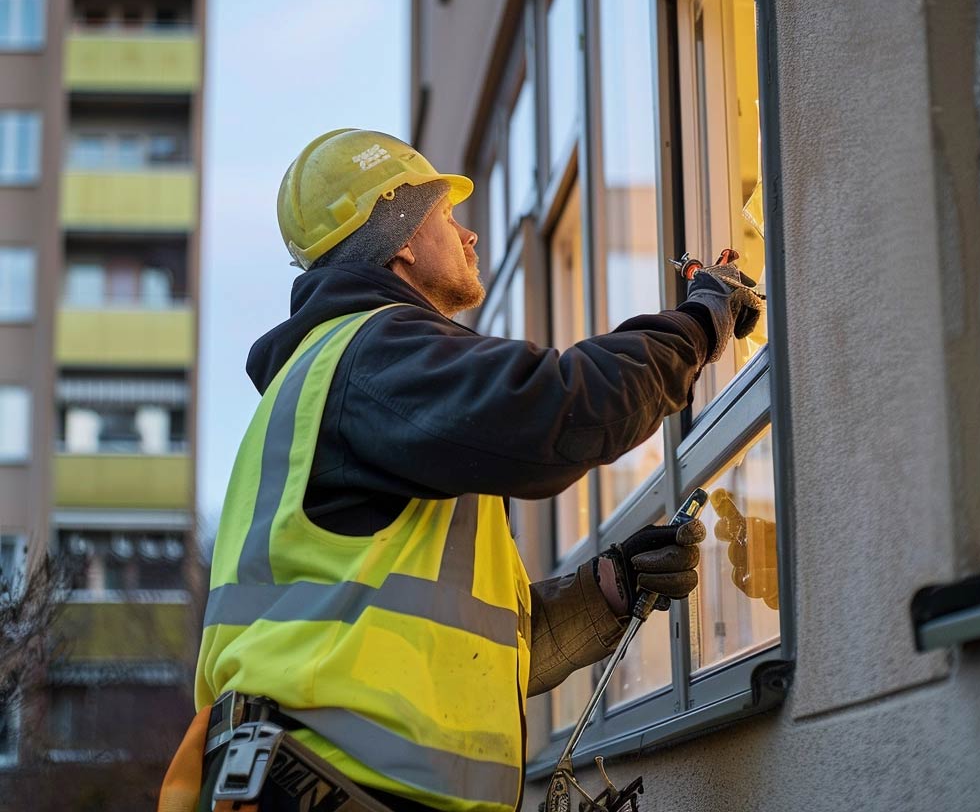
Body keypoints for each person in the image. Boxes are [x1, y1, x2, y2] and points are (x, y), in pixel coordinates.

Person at [159, 128, 764, 812]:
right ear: (402, 242)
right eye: (446, 216)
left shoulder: (337, 382)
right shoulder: (374, 355)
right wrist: (701, 320)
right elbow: (560, 409)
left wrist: (610, 589)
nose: (470, 235)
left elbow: (463, 651)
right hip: (332, 789)